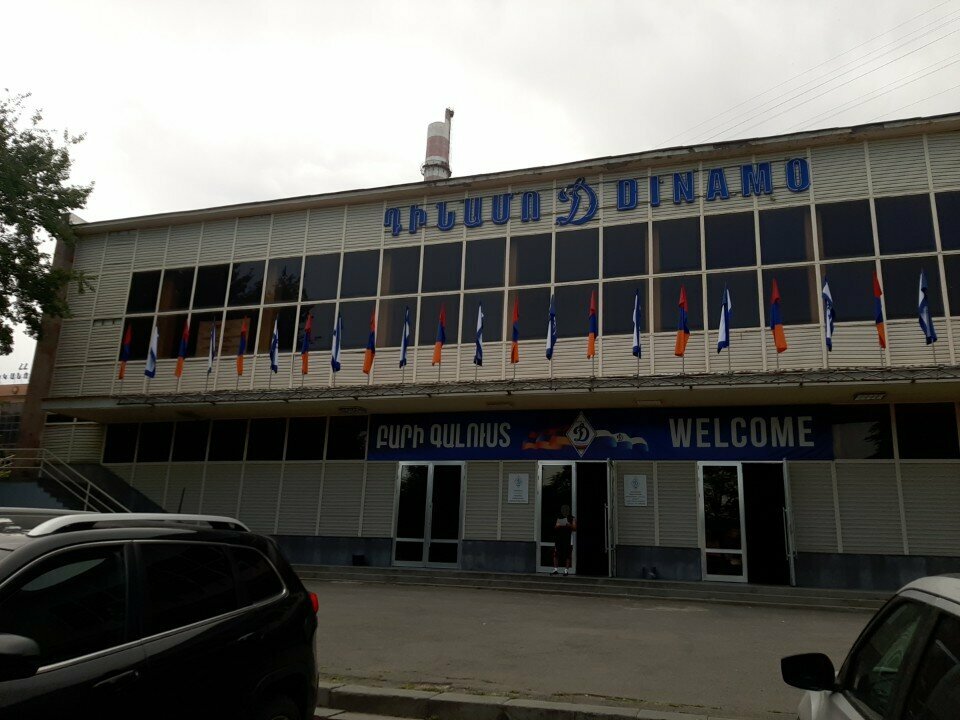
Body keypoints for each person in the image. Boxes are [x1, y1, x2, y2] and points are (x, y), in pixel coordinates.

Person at [552, 504, 576, 576]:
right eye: (563, 510)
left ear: (568, 510)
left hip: (568, 539)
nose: (564, 511)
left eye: (565, 510)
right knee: (556, 554)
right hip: (559, 539)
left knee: (568, 555)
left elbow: (575, 528)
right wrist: (558, 525)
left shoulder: (572, 518)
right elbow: (555, 527)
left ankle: (566, 570)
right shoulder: (559, 517)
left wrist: (570, 525)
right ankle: (555, 569)